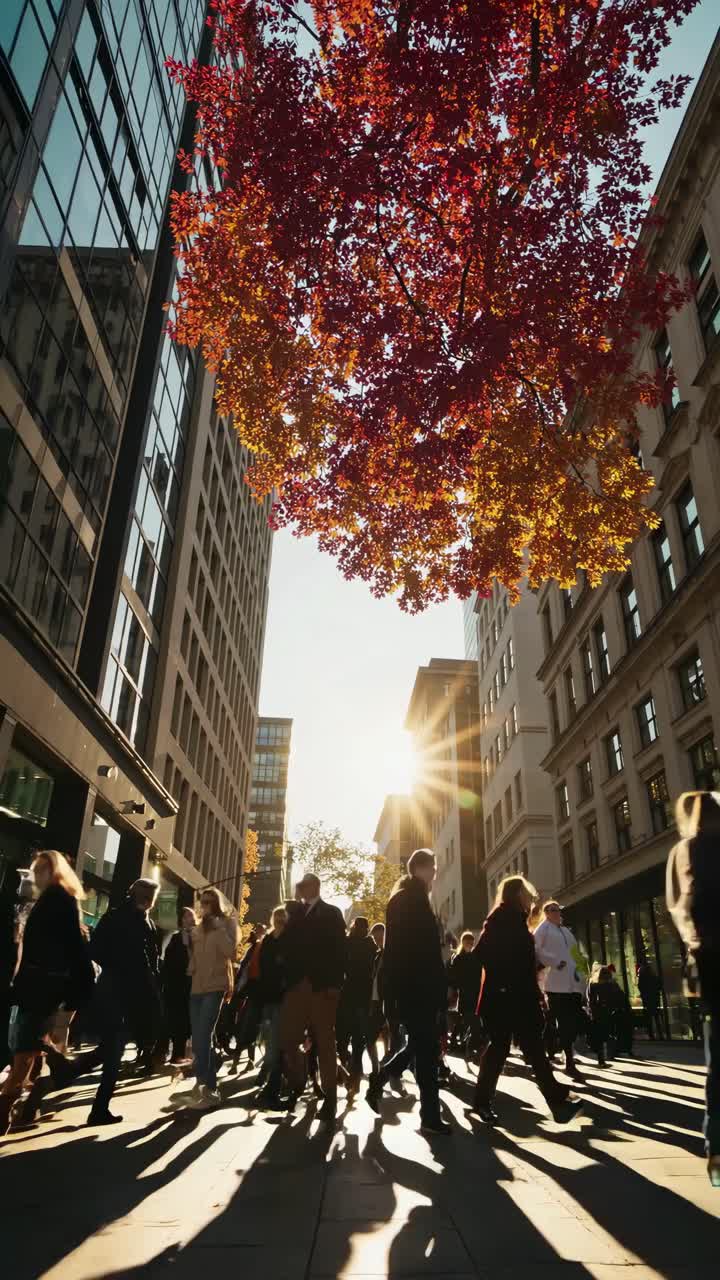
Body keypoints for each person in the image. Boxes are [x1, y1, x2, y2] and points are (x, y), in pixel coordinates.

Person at [472, 876, 583, 1127]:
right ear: (516, 894)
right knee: (500, 1049)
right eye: (525, 893)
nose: (529, 898)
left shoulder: (518, 920)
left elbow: (523, 960)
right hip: (503, 997)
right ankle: (482, 1103)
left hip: (520, 996)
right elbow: (483, 954)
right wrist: (503, 981)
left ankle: (556, 1100)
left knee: (532, 1047)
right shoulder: (500, 918)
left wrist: (535, 972)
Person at [0, 851, 95, 1135]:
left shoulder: (58, 901)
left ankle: (5, 1113)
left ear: (54, 872)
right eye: (35, 869)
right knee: (29, 1046)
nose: (35, 875)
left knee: (24, 1049)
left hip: (41, 987)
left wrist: (77, 989)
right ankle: (30, 1106)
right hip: (38, 986)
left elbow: (74, 951)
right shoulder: (50, 901)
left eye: (40, 870)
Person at [366, 848, 451, 1135]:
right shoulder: (410, 900)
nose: (436, 874)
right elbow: (409, 950)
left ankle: (383, 1084)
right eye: (434, 868)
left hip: (416, 985)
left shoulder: (411, 898)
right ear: (423, 869)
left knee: (421, 1046)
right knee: (424, 1048)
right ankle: (428, 1116)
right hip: (417, 985)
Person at [666, 791, 720, 1186]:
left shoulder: (688, 852)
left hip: (712, 961)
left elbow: (684, 911)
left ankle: (715, 1150)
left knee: (717, 1056)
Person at [82, 878, 161, 1124]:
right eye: (149, 896)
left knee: (111, 1047)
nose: (149, 900)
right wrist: (122, 967)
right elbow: (96, 950)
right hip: (119, 990)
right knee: (114, 1048)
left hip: (124, 991)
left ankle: (68, 1075)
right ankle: (98, 1107)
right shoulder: (126, 919)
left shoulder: (136, 920)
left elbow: (96, 950)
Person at [279, 872, 346, 1126]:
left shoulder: (332, 913)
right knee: (287, 1039)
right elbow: (286, 945)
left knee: (326, 1045)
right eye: (299, 887)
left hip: (322, 987)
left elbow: (340, 950)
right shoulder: (295, 915)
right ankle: (298, 1084)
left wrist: (336, 985)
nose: (301, 890)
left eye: (304, 886)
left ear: (315, 887)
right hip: (297, 987)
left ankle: (330, 1101)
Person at [171, 888, 237, 1109]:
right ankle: (210, 1087)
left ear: (216, 904)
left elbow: (231, 953)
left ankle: (203, 1086)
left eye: (209, 902)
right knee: (201, 1040)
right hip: (197, 989)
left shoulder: (224, 925)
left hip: (215, 987)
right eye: (203, 901)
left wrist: (219, 929)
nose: (205, 905)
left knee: (202, 1037)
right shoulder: (197, 929)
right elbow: (193, 960)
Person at [534, 901, 584, 1079]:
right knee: (559, 1023)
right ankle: (566, 1061)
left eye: (559, 910)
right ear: (546, 912)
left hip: (571, 984)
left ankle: (565, 1057)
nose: (557, 913)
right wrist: (554, 961)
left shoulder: (565, 931)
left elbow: (576, 953)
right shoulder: (544, 928)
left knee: (569, 1023)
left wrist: (582, 972)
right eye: (554, 910)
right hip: (554, 984)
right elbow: (536, 949)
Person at [337, 916, 378, 1094]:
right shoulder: (371, 946)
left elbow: (341, 968)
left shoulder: (347, 943)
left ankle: (345, 1073)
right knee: (359, 1040)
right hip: (363, 997)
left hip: (347, 996)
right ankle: (355, 1078)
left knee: (343, 1038)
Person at [255, 905, 288, 1108]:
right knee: (269, 1041)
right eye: (277, 918)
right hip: (268, 998)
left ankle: (272, 1087)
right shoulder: (268, 940)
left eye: (282, 918)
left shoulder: (289, 941)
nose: (279, 921)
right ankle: (271, 1084)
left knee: (276, 1043)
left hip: (282, 999)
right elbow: (263, 968)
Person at [161, 907, 196, 1063]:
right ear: (182, 920)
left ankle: (179, 1054)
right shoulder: (175, 938)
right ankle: (166, 1053)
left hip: (193, 984)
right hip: (176, 984)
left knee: (186, 1020)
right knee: (174, 1018)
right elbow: (168, 961)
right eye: (188, 916)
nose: (192, 918)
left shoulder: (200, 938)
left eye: (193, 916)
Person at [587, 964, 629, 1066]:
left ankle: (601, 1059)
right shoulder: (610, 984)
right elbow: (617, 997)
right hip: (608, 1012)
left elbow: (590, 999)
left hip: (597, 1013)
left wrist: (592, 1012)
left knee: (599, 1037)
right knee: (609, 1034)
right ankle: (610, 1054)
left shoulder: (592, 983)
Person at [448, 931, 481, 1053]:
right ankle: (463, 1044)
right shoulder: (458, 958)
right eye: (467, 941)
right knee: (466, 1018)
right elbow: (455, 977)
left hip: (474, 992)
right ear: (463, 942)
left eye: (471, 942)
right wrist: (454, 990)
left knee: (466, 1018)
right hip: (464, 993)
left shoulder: (475, 957)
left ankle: (462, 1043)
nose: (470, 944)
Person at [637, 961, 664, 1041]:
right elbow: (659, 985)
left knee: (649, 1018)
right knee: (656, 1017)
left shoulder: (642, 979)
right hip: (654, 999)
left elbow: (640, 987)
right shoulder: (654, 977)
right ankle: (660, 1034)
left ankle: (651, 1035)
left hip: (647, 1000)